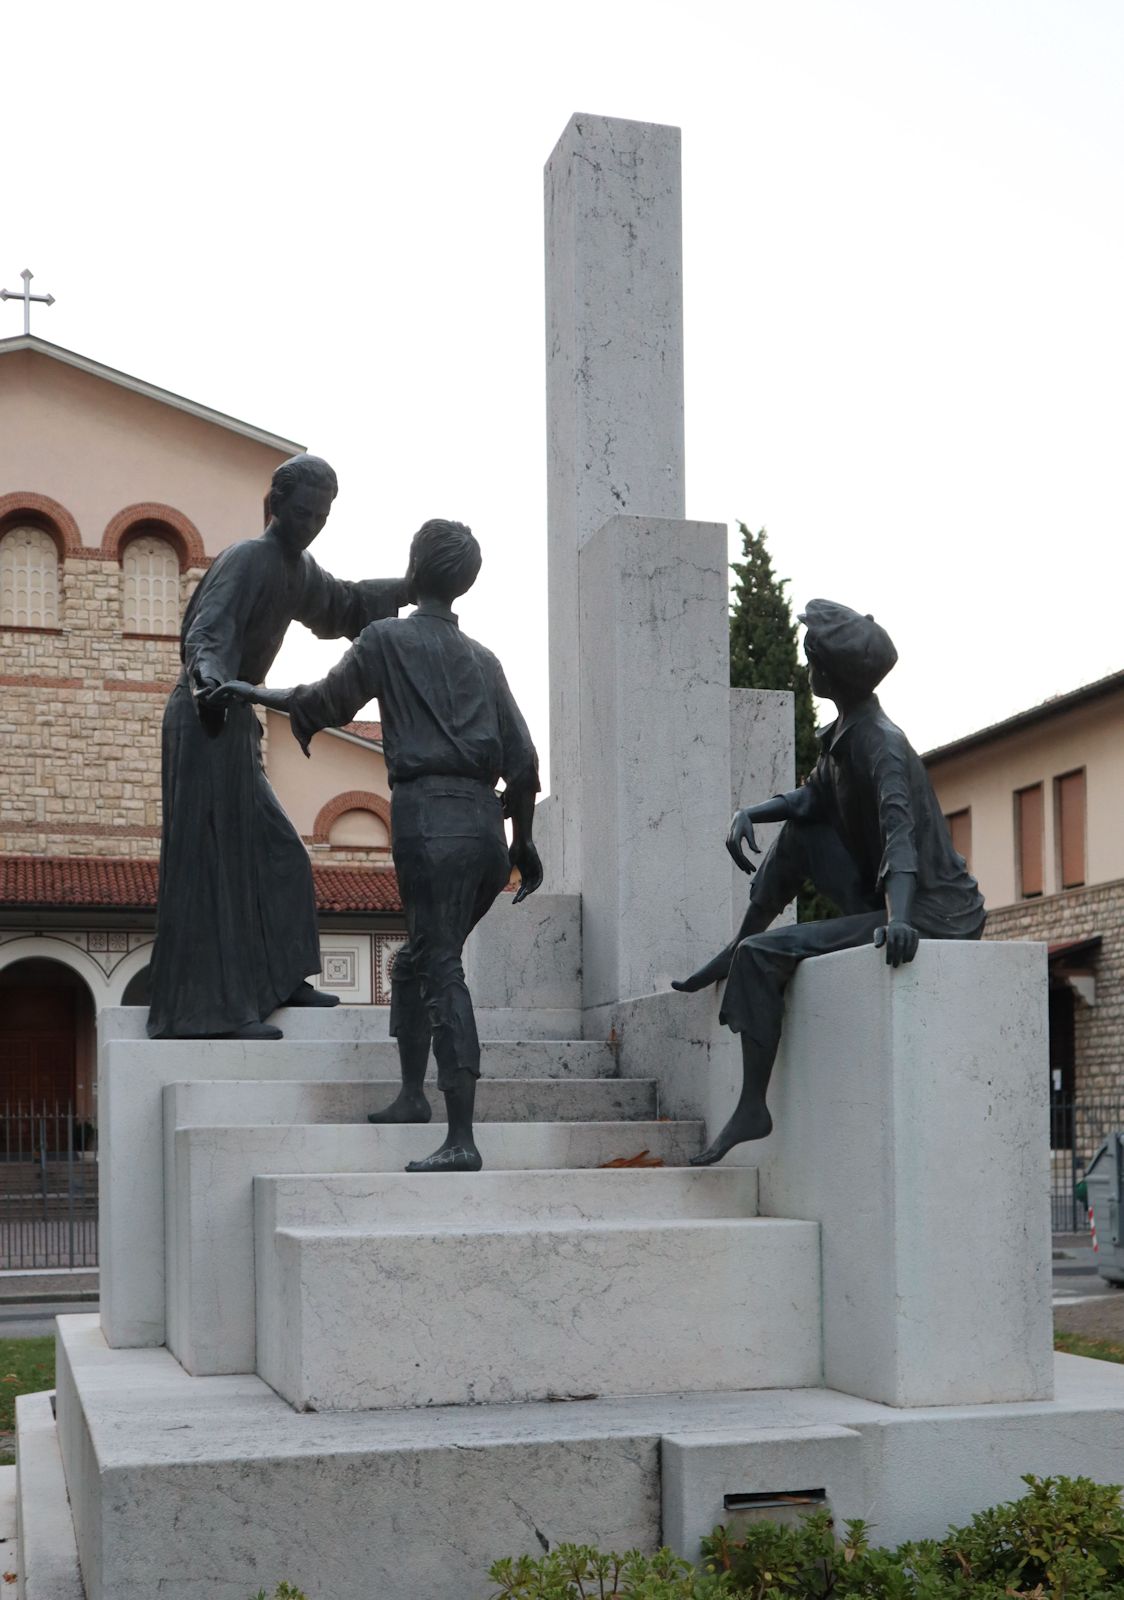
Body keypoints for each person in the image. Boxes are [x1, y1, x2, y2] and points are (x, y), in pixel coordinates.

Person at [218, 518, 542, 1172]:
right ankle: (411, 1097)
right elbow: (526, 763)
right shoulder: (484, 660)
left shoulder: (386, 640)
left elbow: (326, 700)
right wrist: (523, 842)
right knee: (413, 962)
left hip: (429, 821)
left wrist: (249, 690)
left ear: (414, 568)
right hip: (486, 828)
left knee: (441, 963)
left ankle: (462, 1138)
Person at [673, 598, 986, 1166]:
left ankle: (752, 1107)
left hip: (931, 912)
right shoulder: (846, 733)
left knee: (768, 953)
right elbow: (813, 797)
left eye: (812, 657)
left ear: (831, 673)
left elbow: (900, 838)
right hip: (887, 895)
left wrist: (900, 922)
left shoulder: (881, 745)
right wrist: (752, 811)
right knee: (800, 833)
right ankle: (734, 945)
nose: (806, 663)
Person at [146, 454, 408, 1041]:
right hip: (205, 714)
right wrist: (210, 681)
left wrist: (412, 585)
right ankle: (214, 1012)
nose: (313, 523)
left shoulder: (298, 568)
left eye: (323, 515)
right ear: (277, 505)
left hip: (236, 718)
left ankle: (283, 976)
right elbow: (206, 633)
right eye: (304, 512)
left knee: (280, 852)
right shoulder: (248, 559)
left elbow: (343, 606)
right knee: (214, 866)